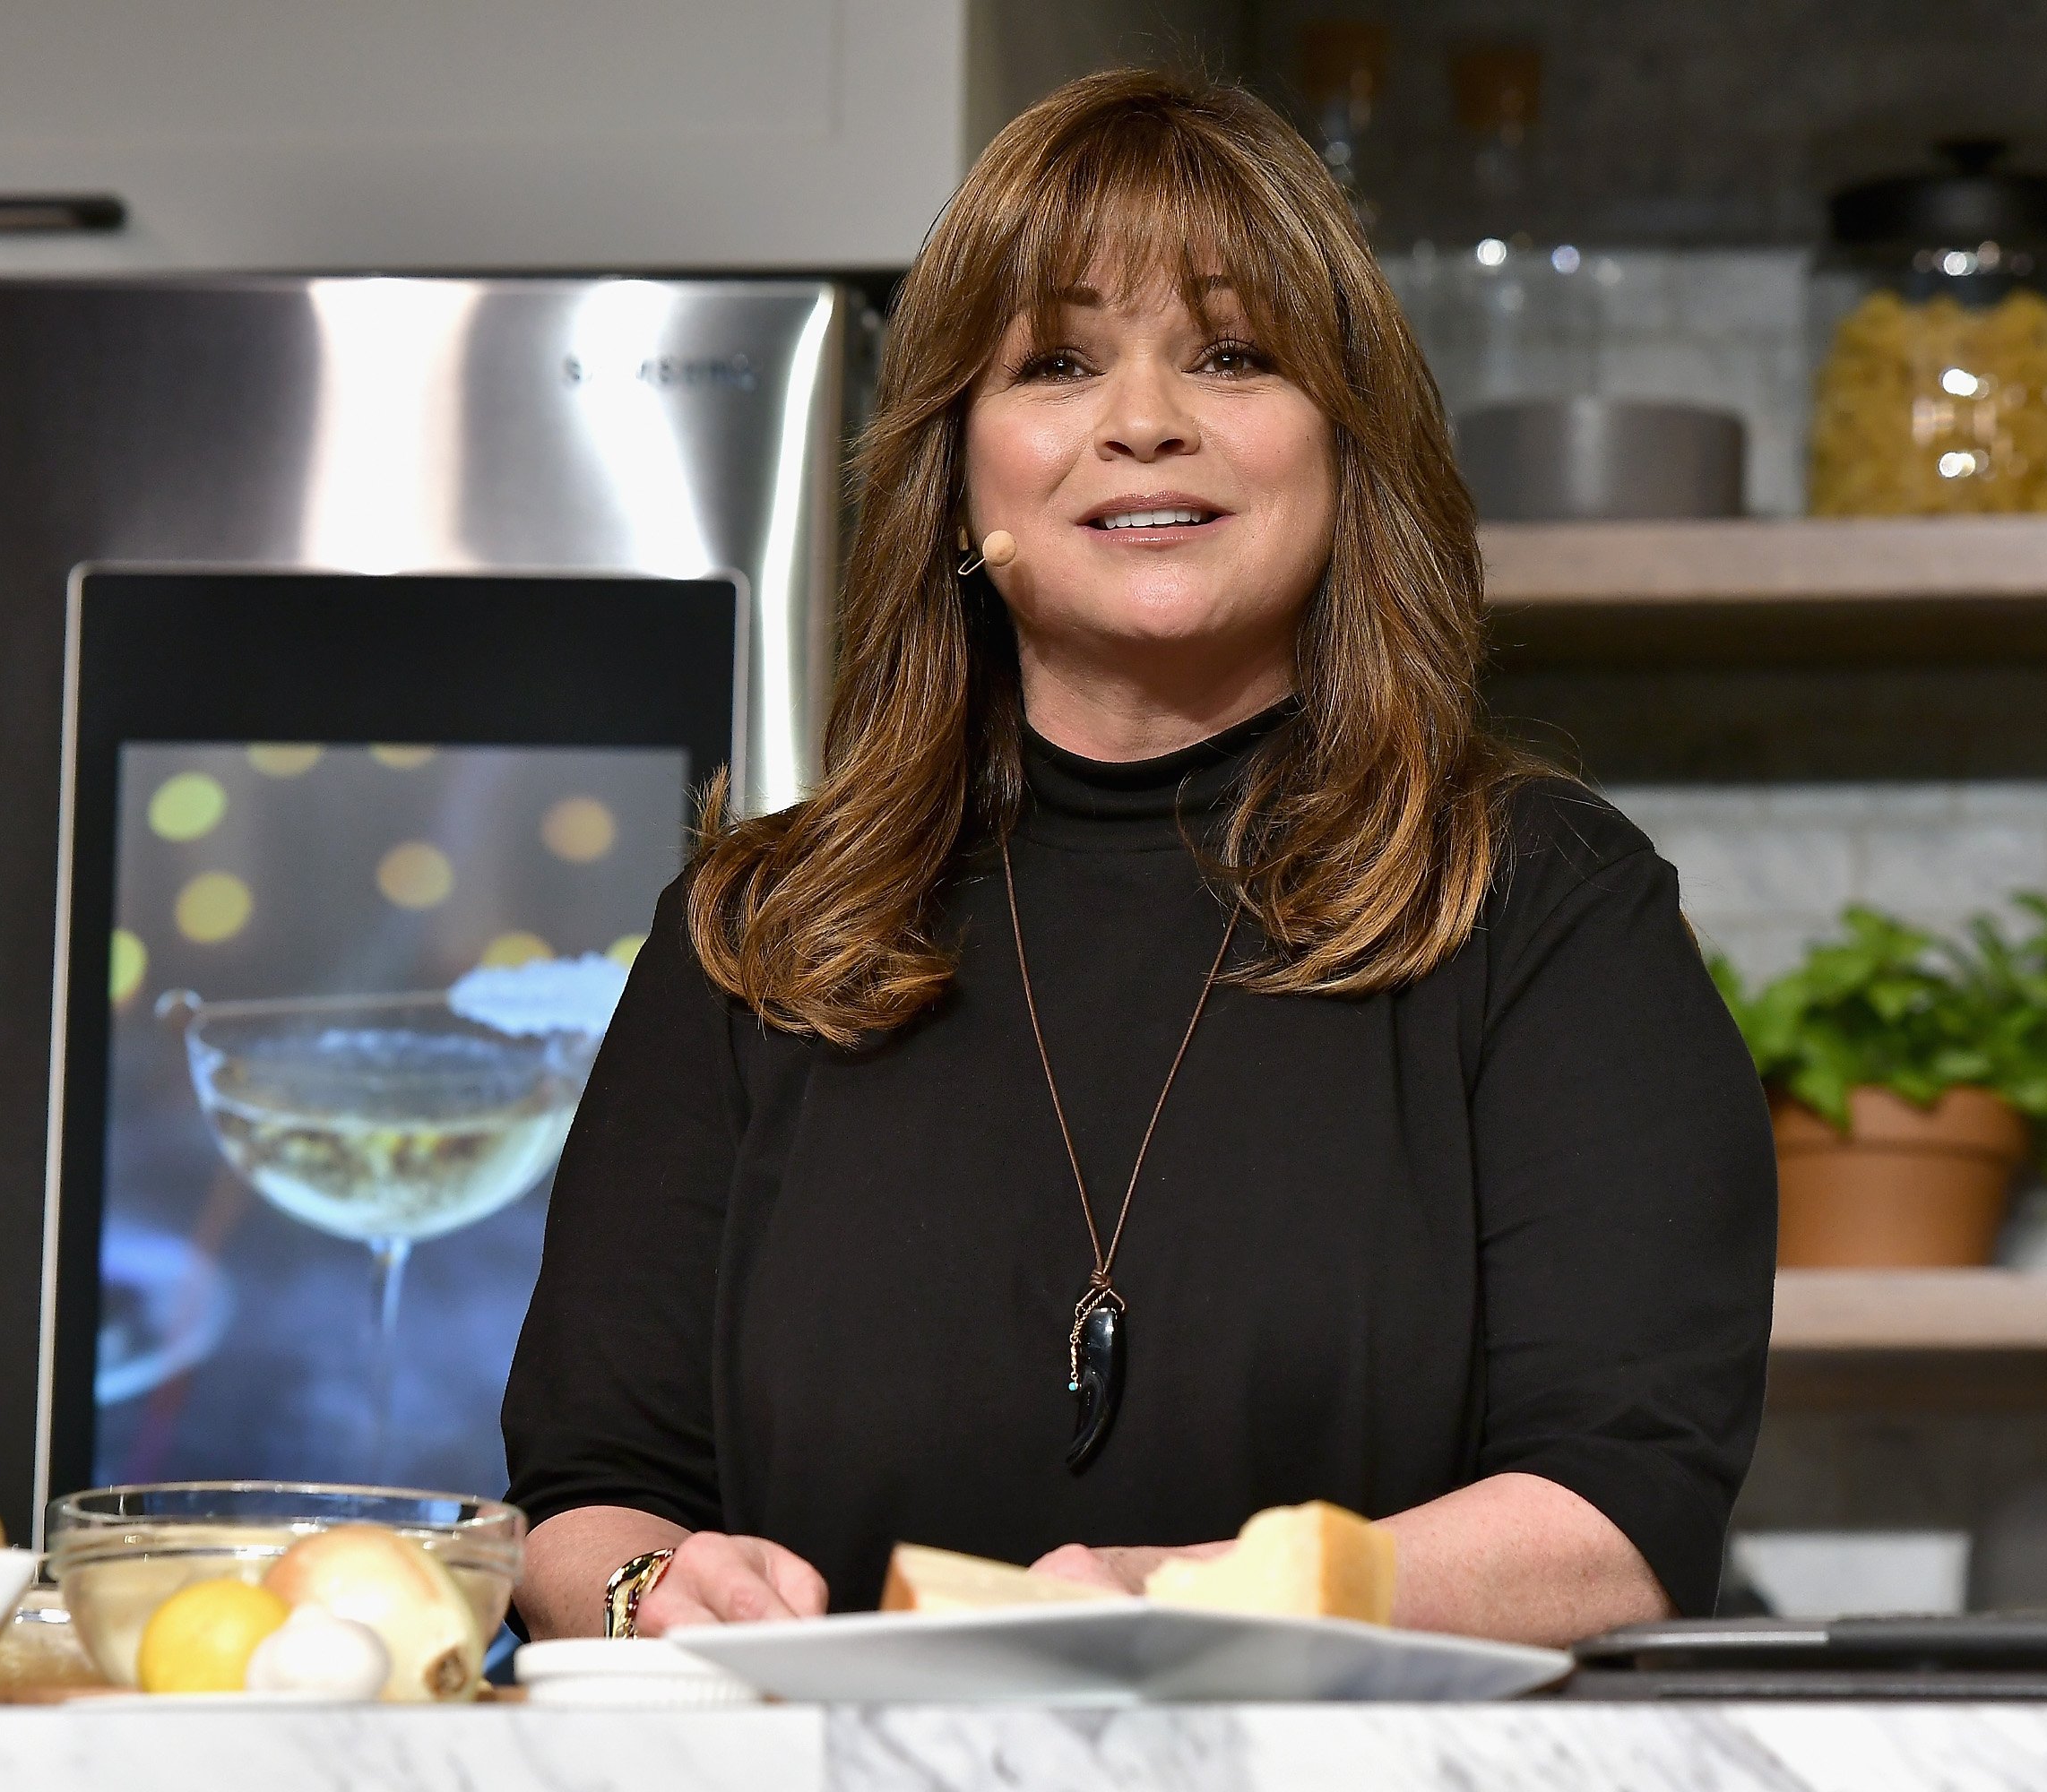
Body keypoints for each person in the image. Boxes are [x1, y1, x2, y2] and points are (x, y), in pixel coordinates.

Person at [503, 67, 1775, 1646]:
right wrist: (645, 1588)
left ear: (1344, 451)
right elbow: (589, 1496)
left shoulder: (1538, 905)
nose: (1145, 421)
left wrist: (1188, 1606)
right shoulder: (757, 936)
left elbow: (1621, 1509)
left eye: (1233, 355)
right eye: (1056, 362)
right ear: (962, 473)